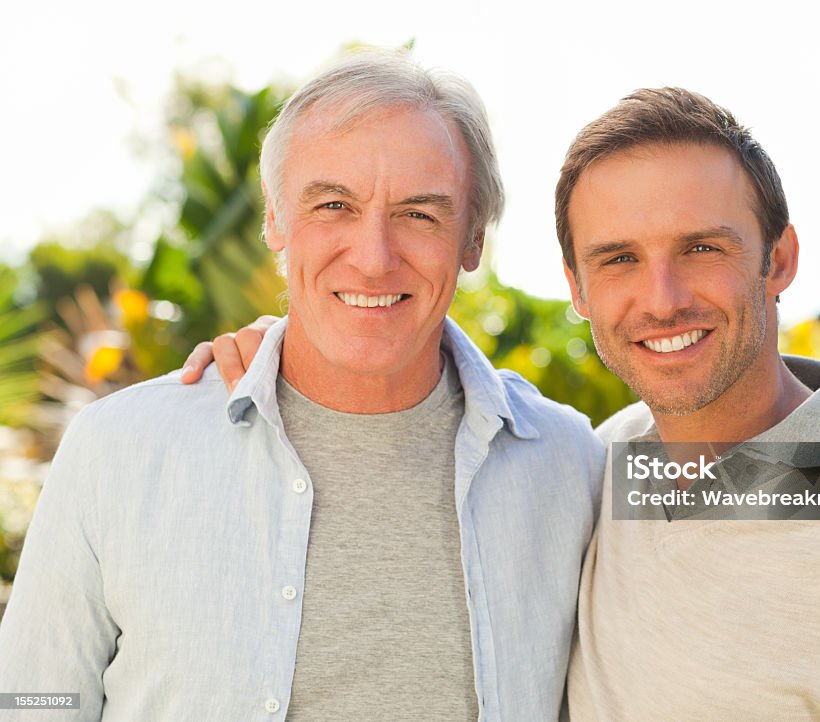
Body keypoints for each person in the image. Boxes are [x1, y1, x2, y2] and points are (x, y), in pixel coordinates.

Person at [193, 87, 820, 719]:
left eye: (701, 248)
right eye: (619, 259)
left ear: (778, 260)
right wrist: (300, 353)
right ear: (578, 289)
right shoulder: (608, 461)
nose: (661, 301)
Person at [0, 52, 604, 721]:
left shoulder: (571, 463)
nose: (373, 258)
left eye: (418, 214)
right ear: (275, 222)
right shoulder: (118, 449)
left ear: (473, 238)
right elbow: (32, 697)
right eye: (333, 205)